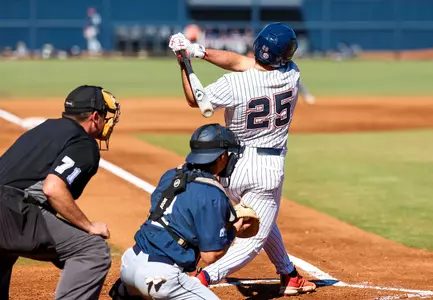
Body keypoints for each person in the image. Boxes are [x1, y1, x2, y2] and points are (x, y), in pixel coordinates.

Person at [168, 22, 317, 296]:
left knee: (260, 218)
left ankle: (289, 274)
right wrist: (195, 50)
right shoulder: (291, 75)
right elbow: (242, 62)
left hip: (230, 167)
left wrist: (183, 60)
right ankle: (203, 279)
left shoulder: (233, 83)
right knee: (253, 240)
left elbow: (195, 99)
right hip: (266, 169)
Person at [0, 85, 121, 300]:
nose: (107, 121)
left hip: (8, 212)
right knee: (93, 251)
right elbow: (53, 188)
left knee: (4, 252)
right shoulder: (84, 143)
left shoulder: (43, 129)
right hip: (12, 211)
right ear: (94, 117)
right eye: (105, 115)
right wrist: (88, 226)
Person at [109, 123, 255, 300]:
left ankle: (129, 292)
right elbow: (211, 255)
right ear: (222, 156)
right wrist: (234, 230)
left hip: (130, 264)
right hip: (158, 277)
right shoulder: (212, 193)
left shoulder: (172, 174)